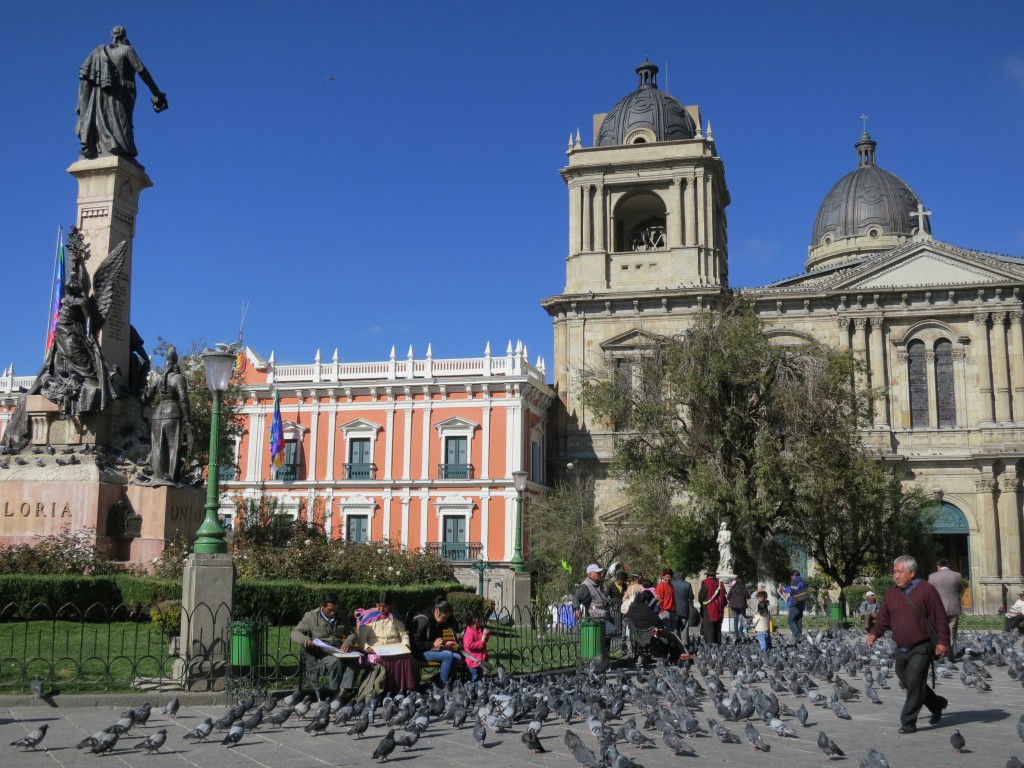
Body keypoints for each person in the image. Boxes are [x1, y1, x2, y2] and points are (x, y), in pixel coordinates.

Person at [867, 555, 950, 734]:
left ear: (911, 573)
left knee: (914, 680)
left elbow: (940, 618)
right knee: (907, 679)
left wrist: (943, 641)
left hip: (922, 645)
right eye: (894, 572)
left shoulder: (927, 590)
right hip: (901, 647)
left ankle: (908, 721)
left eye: (899, 572)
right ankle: (937, 704)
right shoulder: (892, 593)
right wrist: (874, 633)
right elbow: (883, 618)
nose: (895, 576)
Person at [76, 26, 168, 160]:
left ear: (112, 34)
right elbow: (142, 71)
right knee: (122, 122)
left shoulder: (98, 51)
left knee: (105, 119)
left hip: (102, 93)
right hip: (122, 93)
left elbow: (85, 76)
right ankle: (120, 148)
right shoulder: (127, 50)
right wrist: (156, 93)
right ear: (124, 37)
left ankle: (103, 146)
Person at [290, 593, 360, 698]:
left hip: (338, 650)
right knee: (336, 662)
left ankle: (343, 691)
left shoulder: (342, 617)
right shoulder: (311, 617)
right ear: (322, 606)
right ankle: (334, 691)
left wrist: (348, 642)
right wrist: (306, 641)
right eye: (329, 610)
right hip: (319, 652)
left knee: (355, 660)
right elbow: (295, 632)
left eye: (335, 610)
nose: (333, 613)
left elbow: (352, 634)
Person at [145, 346, 192, 482]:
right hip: (173, 412)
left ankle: (158, 477)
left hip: (157, 413)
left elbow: (148, 397)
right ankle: (170, 478)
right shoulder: (178, 378)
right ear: (176, 361)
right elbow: (183, 399)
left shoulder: (158, 378)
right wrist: (188, 419)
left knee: (157, 447)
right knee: (173, 447)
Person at [357, 591, 418, 694]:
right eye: (379, 606)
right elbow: (362, 638)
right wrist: (367, 647)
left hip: (395, 649)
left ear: (390, 605)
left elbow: (404, 635)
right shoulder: (369, 618)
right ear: (375, 604)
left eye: (385, 606)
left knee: (407, 658)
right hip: (376, 650)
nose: (381, 609)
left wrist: (405, 646)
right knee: (379, 660)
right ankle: (382, 690)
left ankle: (405, 689)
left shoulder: (395, 617)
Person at [410, 598, 463, 686]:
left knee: (457, 657)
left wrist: (445, 643)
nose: (445, 620)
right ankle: (443, 685)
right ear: (437, 611)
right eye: (444, 617)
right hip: (418, 652)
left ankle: (438, 681)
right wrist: (432, 644)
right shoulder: (422, 620)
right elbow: (415, 644)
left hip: (430, 650)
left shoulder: (437, 621)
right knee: (448, 655)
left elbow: (436, 640)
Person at [624, 590, 688, 660]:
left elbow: (626, 619)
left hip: (634, 635)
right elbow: (657, 622)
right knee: (671, 636)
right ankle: (677, 655)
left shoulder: (631, 609)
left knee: (667, 635)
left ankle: (677, 654)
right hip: (648, 633)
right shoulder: (645, 608)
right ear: (646, 601)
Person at [928, 559, 963, 657]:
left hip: (938, 608)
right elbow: (960, 589)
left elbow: (928, 592)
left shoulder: (932, 576)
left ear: (938, 566)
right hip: (953, 606)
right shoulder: (957, 575)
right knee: (952, 630)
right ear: (949, 566)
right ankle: (950, 653)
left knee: (939, 629)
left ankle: (939, 652)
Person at [572, 564, 616, 633]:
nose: (600, 574)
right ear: (589, 575)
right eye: (597, 573)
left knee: (610, 636)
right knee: (613, 631)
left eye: (599, 573)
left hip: (603, 618)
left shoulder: (596, 585)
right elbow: (576, 598)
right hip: (595, 620)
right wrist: (576, 609)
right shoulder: (586, 586)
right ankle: (594, 634)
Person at [698, 571, 728, 645]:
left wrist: (703, 603)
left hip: (708, 608)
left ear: (707, 575)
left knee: (709, 628)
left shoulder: (705, 582)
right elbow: (724, 597)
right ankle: (718, 643)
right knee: (717, 628)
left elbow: (701, 596)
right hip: (719, 608)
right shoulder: (720, 583)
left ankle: (710, 644)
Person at [778, 571, 808, 641]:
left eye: (791, 576)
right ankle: (800, 640)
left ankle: (798, 636)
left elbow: (793, 590)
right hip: (801, 603)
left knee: (790, 621)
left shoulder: (796, 580)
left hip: (795, 604)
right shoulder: (803, 581)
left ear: (794, 575)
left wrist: (784, 589)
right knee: (798, 621)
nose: (791, 578)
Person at [461, 611, 490, 683]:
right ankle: (473, 691)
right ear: (476, 620)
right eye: (480, 619)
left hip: (480, 661)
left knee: (480, 677)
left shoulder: (478, 630)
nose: (481, 621)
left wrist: (486, 636)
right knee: (475, 677)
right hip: (473, 661)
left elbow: (483, 641)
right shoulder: (469, 632)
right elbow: (469, 645)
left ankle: (479, 691)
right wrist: (481, 643)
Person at [671, 570, 696, 648]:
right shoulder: (687, 585)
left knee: (675, 627)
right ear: (683, 576)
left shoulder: (671, 584)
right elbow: (691, 597)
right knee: (684, 628)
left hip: (673, 608)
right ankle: (685, 645)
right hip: (684, 609)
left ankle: (676, 644)